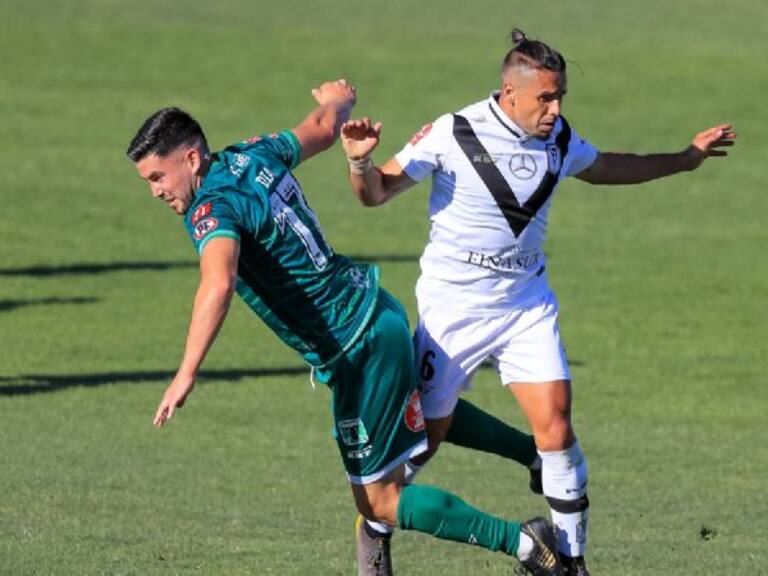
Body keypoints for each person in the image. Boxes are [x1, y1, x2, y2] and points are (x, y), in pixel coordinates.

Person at [126, 79, 567, 576]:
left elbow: (218, 282)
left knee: (379, 501)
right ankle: (533, 456)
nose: (156, 191)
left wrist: (186, 373)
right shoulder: (252, 154)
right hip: (377, 308)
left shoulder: (212, 208)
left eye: (158, 176)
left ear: (191, 158)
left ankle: (527, 545)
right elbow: (320, 127)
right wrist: (339, 100)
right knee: (423, 409)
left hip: (354, 350)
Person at [340, 29, 737, 576]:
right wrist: (361, 163)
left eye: (560, 97)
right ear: (509, 93)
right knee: (417, 451)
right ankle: (376, 528)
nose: (555, 109)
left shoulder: (559, 138)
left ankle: (571, 563)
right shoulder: (453, 133)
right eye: (545, 98)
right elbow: (376, 193)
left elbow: (605, 166)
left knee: (557, 429)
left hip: (526, 305)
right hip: (454, 312)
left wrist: (684, 159)